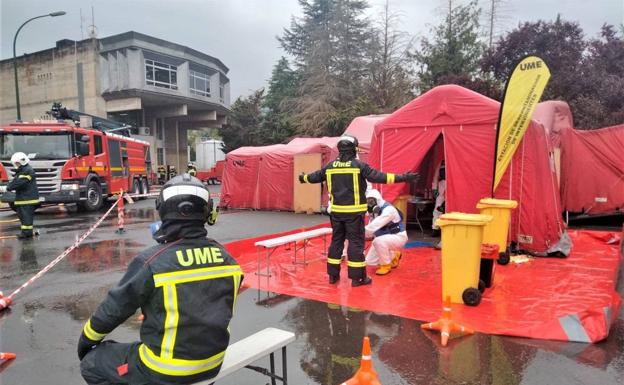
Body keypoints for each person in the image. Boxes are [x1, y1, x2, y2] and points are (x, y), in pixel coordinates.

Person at [78, 174, 242, 385]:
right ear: (207, 212)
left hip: (165, 369)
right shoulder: (228, 260)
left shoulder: (152, 261)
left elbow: (113, 310)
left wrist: (86, 341)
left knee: (92, 363)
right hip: (212, 363)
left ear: (163, 211)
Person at [299, 134, 418, 287]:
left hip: (336, 213)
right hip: (354, 214)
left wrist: (303, 178)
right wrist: (403, 177)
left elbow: (314, 177)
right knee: (356, 244)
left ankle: (333, 276)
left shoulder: (329, 167)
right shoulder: (358, 166)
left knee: (336, 242)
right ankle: (358, 278)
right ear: (353, 150)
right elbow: (379, 177)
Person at [364, 189, 408, 275]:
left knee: (378, 241)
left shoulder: (388, 210)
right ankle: (394, 256)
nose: (369, 204)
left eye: (371, 201)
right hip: (385, 237)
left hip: (398, 237)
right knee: (370, 261)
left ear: (378, 200)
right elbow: (370, 231)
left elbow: (373, 227)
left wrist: (357, 232)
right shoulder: (374, 212)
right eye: (368, 202)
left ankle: (386, 265)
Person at [7, 152, 39, 239]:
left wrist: (8, 187)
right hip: (24, 199)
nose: (15, 165)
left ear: (21, 162)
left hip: (27, 199)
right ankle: (26, 232)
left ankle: (27, 233)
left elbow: (19, 183)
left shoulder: (27, 171)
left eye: (16, 163)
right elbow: (15, 181)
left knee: (26, 217)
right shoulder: (22, 170)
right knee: (23, 217)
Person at [431, 161, 446, 239]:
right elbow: (436, 176)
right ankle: (435, 228)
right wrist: (434, 188)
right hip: (442, 188)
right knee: (438, 209)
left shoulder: (457, 161)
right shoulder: (441, 163)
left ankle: (447, 229)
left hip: (453, 189)